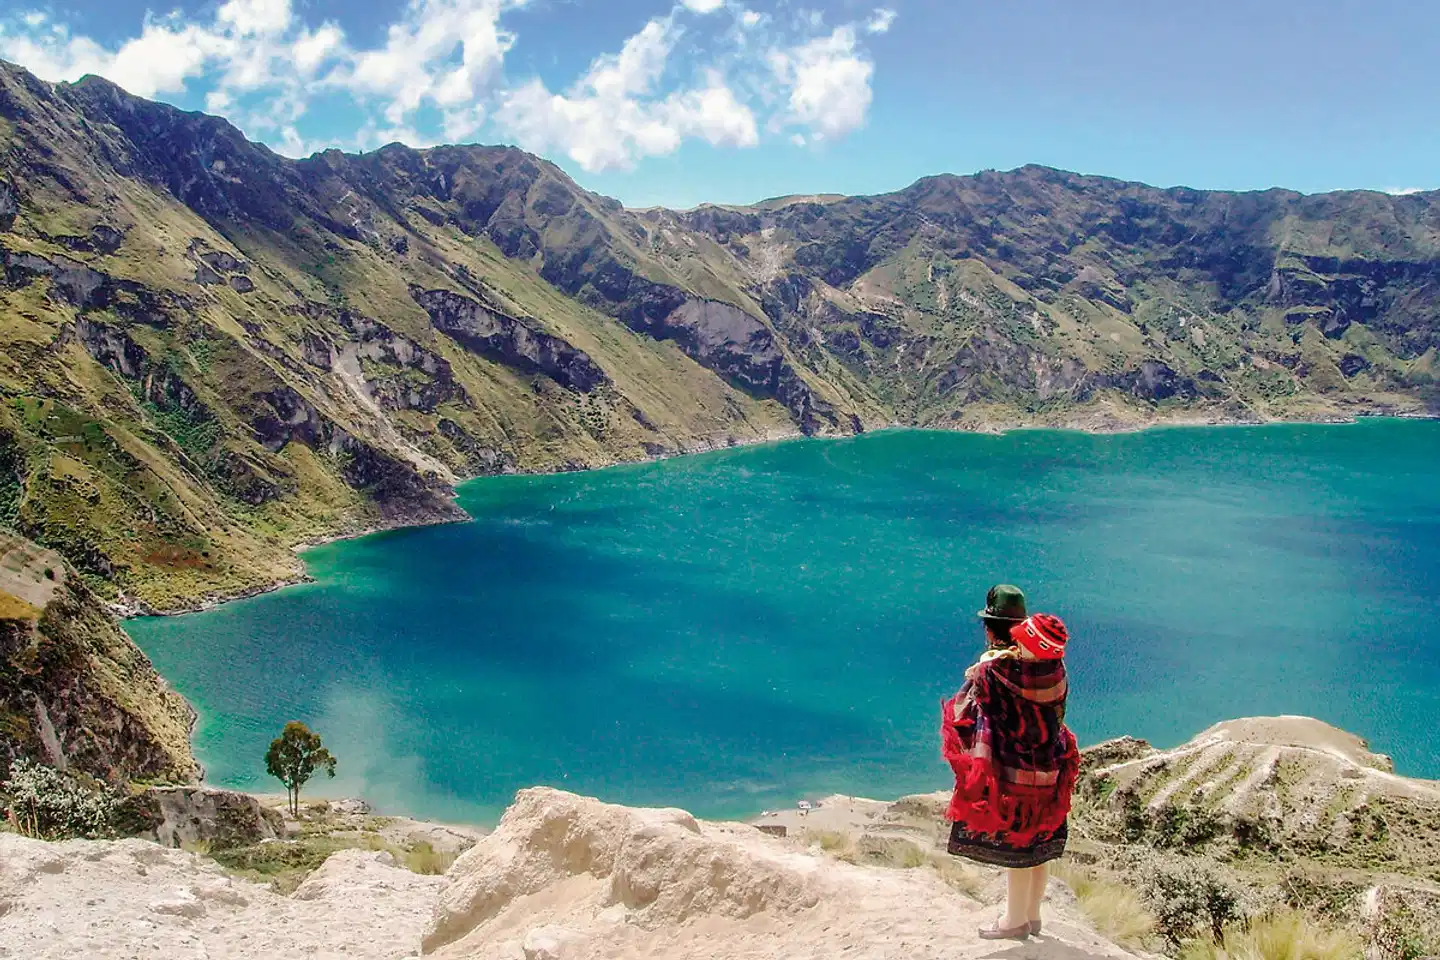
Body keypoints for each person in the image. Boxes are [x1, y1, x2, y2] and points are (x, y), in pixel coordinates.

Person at [941, 584, 1079, 941]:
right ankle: (1033, 916)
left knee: (1019, 848)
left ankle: (1013, 922)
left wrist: (982, 667)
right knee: (1039, 849)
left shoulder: (994, 674)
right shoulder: (1055, 669)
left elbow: (965, 713)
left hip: (1015, 774)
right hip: (1050, 767)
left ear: (990, 628)